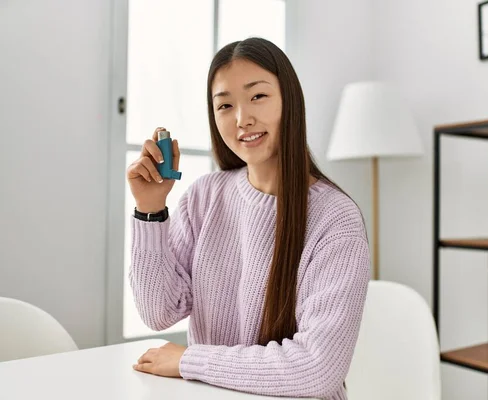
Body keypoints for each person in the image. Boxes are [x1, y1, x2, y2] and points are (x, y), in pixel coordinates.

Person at [127, 37, 370, 400]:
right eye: (225, 105)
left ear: (291, 101)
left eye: (257, 96)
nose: (242, 119)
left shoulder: (335, 219)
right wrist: (149, 211)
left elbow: (316, 370)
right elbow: (159, 312)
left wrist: (189, 361)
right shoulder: (205, 197)